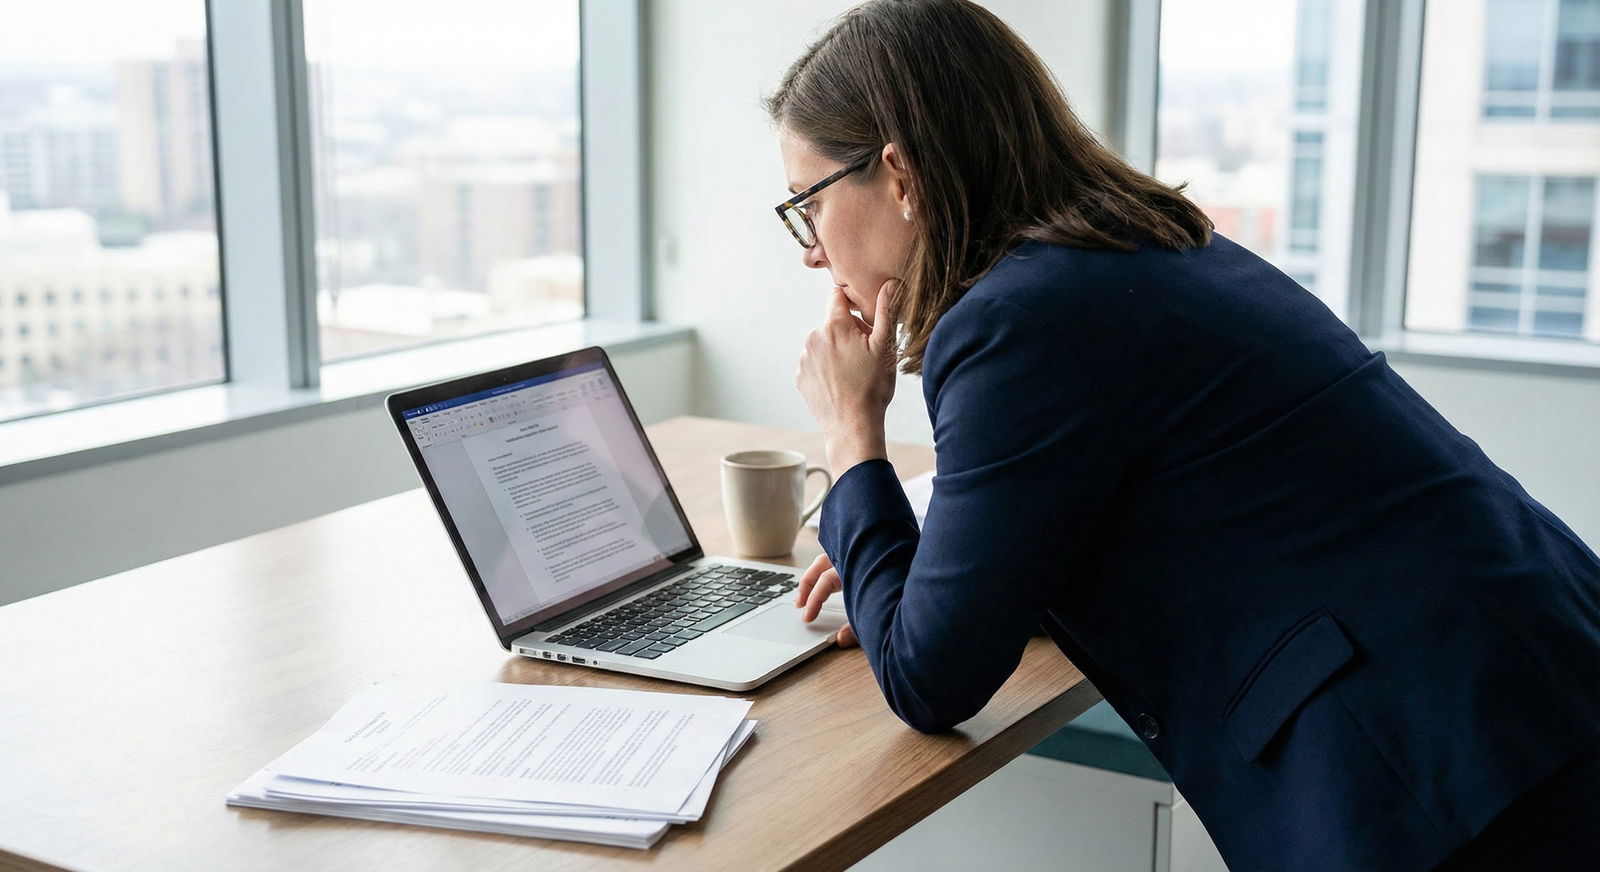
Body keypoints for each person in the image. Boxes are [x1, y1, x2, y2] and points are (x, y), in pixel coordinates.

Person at [764, 1, 1600, 870]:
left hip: (1444, 766)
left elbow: (930, 681)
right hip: (1532, 671)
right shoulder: (1146, 244)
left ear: (899, 174)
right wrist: (933, 576)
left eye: (807, 205)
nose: (811, 252)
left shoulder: (1014, 326)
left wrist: (851, 431)